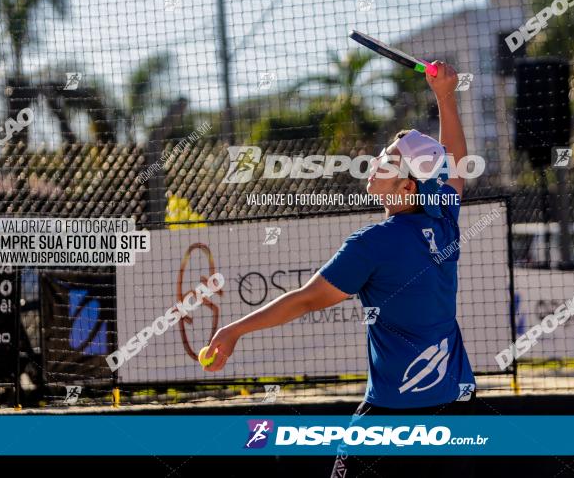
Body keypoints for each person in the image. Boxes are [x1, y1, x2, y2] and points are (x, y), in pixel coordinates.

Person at [203, 62, 475, 477]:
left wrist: (234, 329)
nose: (375, 163)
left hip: (394, 414)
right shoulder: (443, 215)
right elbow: (454, 167)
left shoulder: (372, 244)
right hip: (456, 411)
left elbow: (307, 300)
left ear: (406, 187)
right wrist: (446, 96)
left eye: (387, 162)